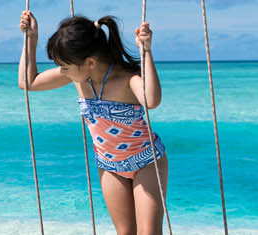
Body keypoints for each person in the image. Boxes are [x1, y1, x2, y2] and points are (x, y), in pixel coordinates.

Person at [18, 12, 168, 235]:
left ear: (90, 62)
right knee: (125, 232)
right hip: (109, 166)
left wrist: (145, 51)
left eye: (65, 66)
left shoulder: (126, 79)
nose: (62, 71)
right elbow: (27, 82)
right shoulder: (77, 76)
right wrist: (31, 39)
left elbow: (152, 100)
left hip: (146, 161)